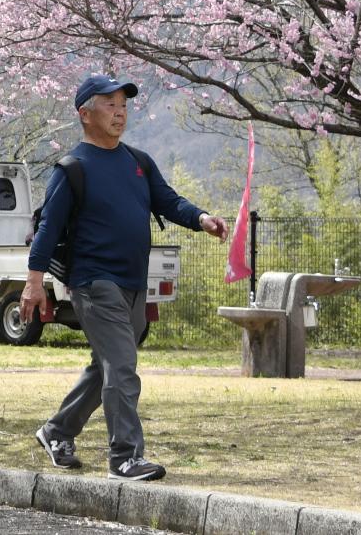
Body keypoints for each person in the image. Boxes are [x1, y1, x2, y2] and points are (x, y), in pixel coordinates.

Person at [24, 73, 227, 481]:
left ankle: (57, 430)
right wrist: (34, 282)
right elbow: (46, 229)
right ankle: (124, 456)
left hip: (134, 282)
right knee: (122, 366)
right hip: (93, 282)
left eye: (124, 105)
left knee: (107, 366)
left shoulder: (137, 161)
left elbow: (167, 200)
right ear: (85, 114)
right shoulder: (71, 169)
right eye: (110, 105)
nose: (120, 113)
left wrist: (200, 217)